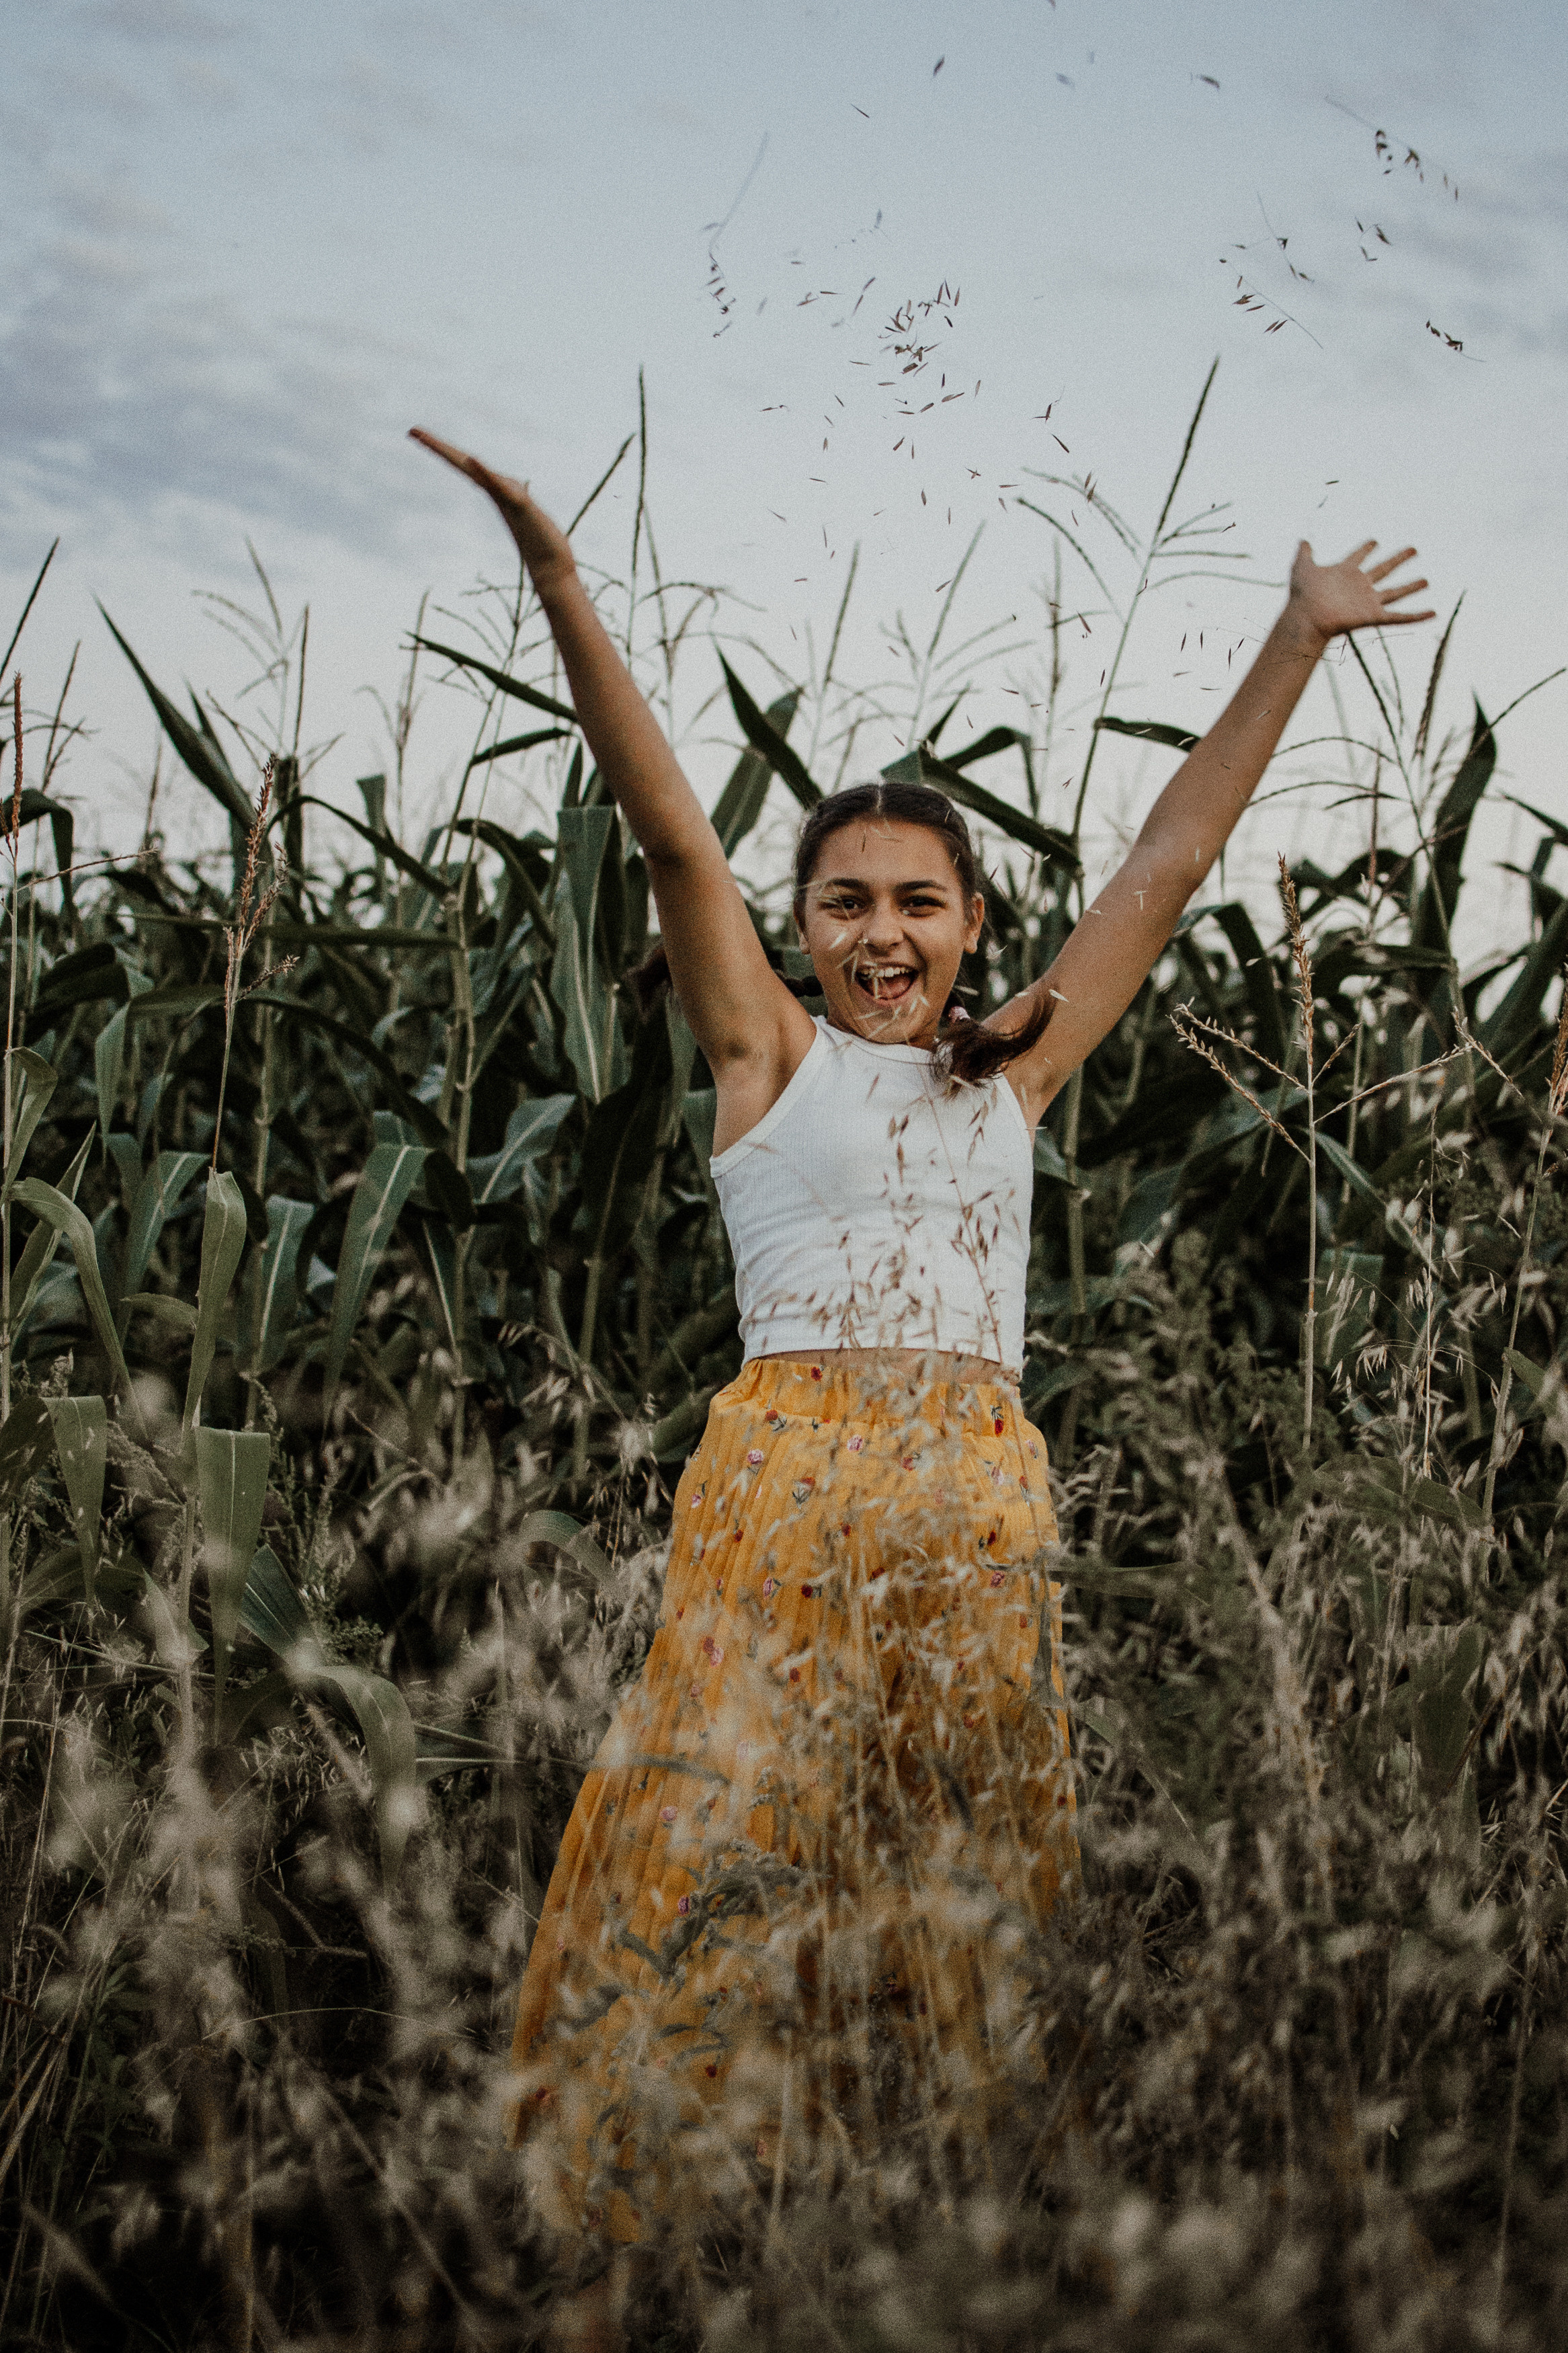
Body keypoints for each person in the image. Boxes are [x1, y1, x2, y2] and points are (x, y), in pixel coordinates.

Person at [413, 423, 1432, 2319]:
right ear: (800, 935)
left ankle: (919, 2239)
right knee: (724, 1854)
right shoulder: (765, 1066)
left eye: (921, 902)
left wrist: (1297, 633)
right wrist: (558, 579)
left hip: (976, 1502)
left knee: (958, 1894)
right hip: (784, 1491)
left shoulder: (1019, 1078)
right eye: (847, 904)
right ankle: (655, 2239)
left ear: (974, 924)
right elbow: (669, 832)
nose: (884, 932)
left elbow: (1175, 851)